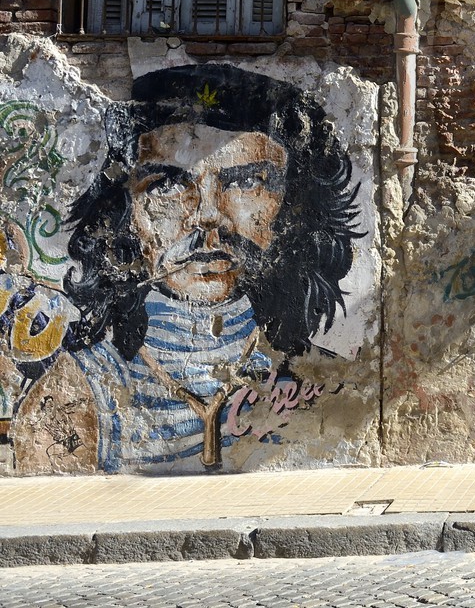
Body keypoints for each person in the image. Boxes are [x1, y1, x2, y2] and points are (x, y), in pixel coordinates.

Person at [12, 64, 360, 474]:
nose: (209, 217)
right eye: (168, 186)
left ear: (292, 210)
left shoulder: (324, 382)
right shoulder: (79, 390)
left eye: (246, 183)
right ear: (127, 214)